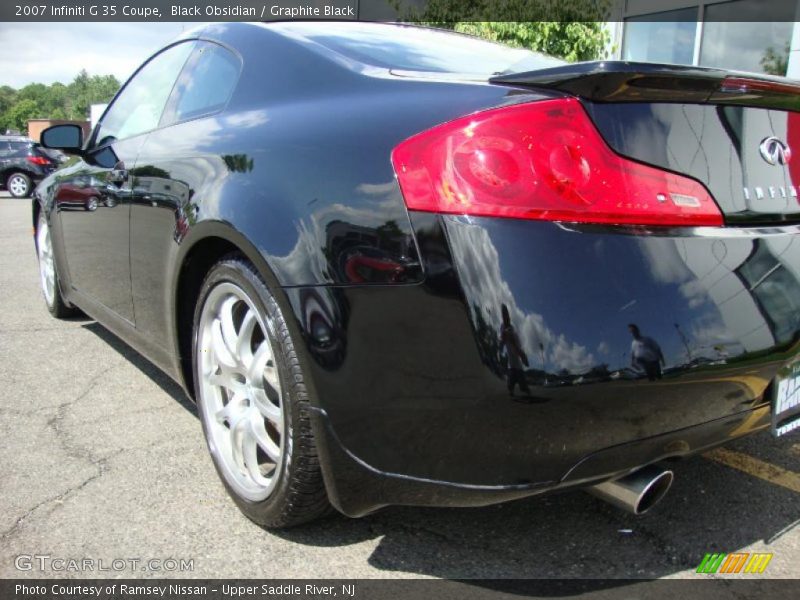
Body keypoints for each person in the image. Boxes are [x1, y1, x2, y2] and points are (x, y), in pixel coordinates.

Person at [500, 305, 531, 396]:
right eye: (503, 315)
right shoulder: (503, 327)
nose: (505, 318)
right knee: (510, 384)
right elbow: (502, 339)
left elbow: (519, 350)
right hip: (511, 364)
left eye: (506, 315)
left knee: (523, 387)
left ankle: (526, 390)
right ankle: (512, 390)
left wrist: (512, 341)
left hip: (517, 364)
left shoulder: (513, 333)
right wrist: (502, 344)